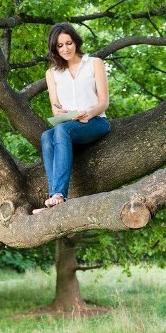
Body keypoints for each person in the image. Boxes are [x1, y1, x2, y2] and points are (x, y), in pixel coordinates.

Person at [38, 23, 110, 211]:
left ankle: (59, 194)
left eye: (68, 43)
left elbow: (104, 102)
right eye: (60, 46)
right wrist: (62, 113)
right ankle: (54, 193)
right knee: (46, 136)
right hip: (70, 124)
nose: (65, 49)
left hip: (96, 121)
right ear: (55, 49)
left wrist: (89, 113)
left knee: (60, 131)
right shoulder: (52, 73)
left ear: (75, 42)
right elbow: (56, 108)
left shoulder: (94, 63)